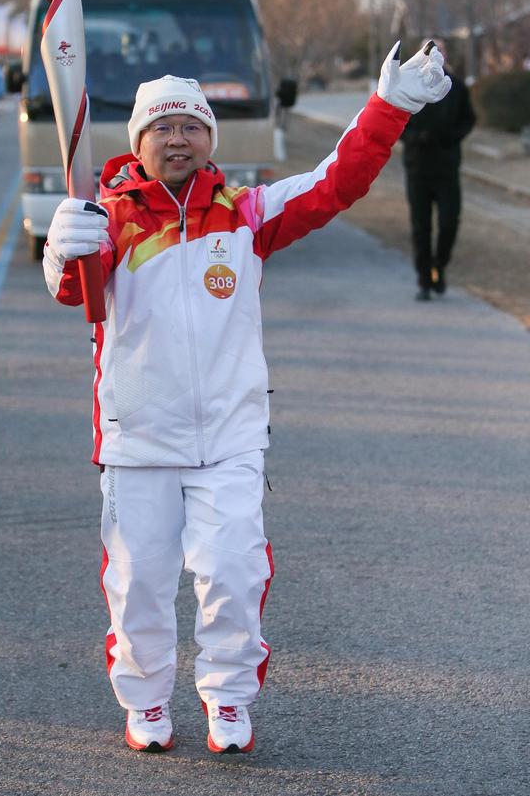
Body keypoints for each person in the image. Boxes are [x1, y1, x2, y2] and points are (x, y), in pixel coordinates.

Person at [42, 42, 451, 755]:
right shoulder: (107, 217)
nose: (178, 138)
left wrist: (392, 106)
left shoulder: (247, 214)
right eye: (163, 127)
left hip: (230, 438)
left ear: (209, 139)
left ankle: (227, 699)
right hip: (138, 439)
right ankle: (145, 701)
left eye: (192, 126)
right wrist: (61, 248)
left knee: (233, 569)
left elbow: (336, 183)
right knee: (138, 586)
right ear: (139, 141)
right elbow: (79, 292)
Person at [400, 39, 476, 300]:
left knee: (449, 222)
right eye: (429, 51)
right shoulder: (408, 86)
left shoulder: (456, 86)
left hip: (446, 168)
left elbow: (469, 119)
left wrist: (451, 138)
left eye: (438, 51)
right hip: (418, 168)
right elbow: (397, 121)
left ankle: (438, 267)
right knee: (421, 228)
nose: (434, 55)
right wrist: (415, 137)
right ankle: (424, 280)